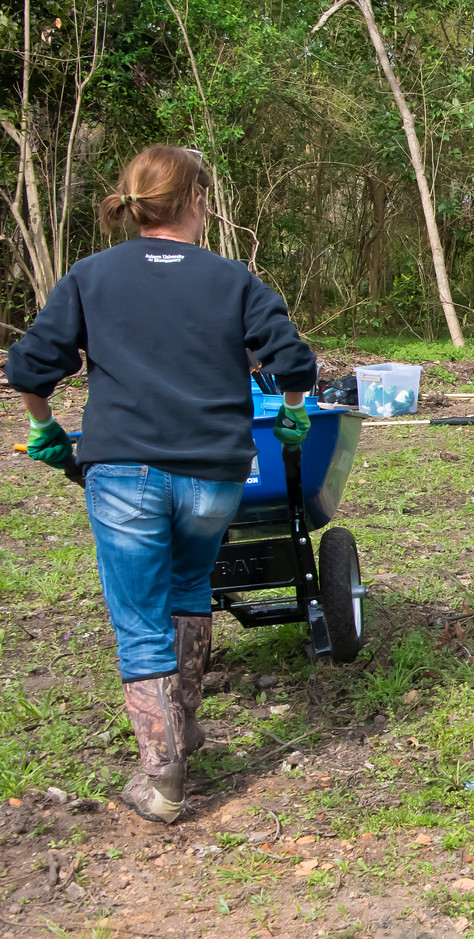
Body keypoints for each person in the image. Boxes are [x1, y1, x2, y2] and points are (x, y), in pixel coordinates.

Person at [4, 145, 317, 824]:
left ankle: (163, 777)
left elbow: (29, 367)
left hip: (122, 474)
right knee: (187, 589)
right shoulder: (232, 280)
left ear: (136, 203)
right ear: (197, 200)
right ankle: (184, 727)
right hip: (214, 478)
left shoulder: (91, 276)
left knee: (139, 619)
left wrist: (43, 427)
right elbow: (294, 359)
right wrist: (292, 414)